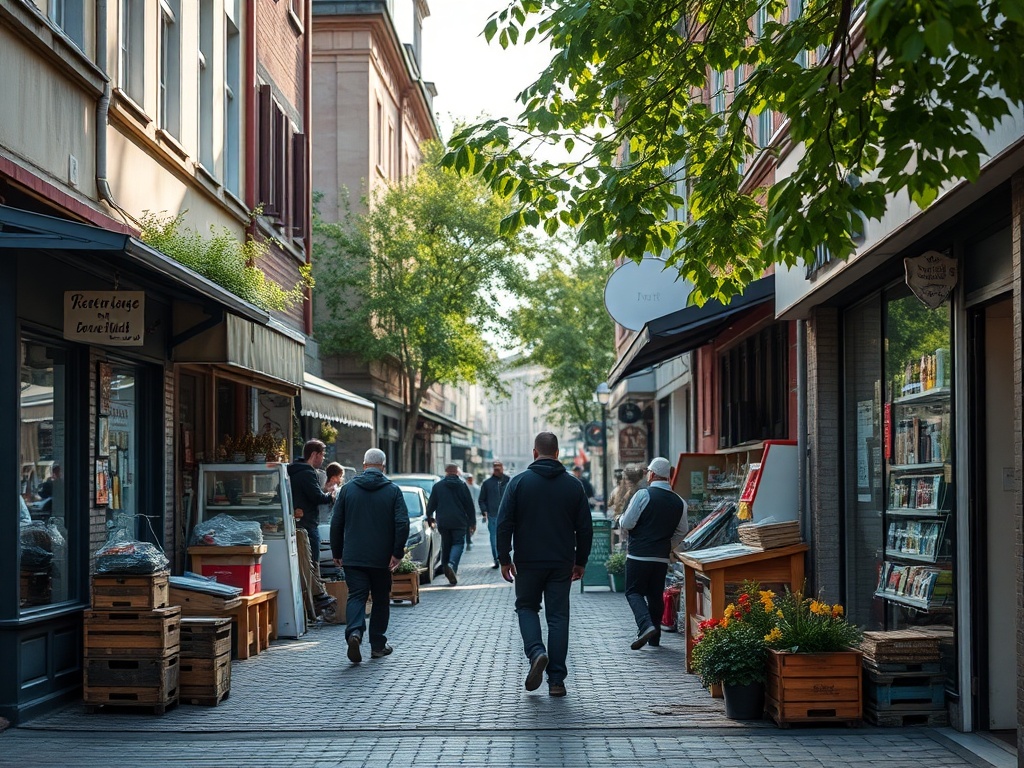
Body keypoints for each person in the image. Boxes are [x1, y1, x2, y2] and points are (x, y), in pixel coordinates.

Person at [496, 432, 593, 697]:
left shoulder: (518, 483)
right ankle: (557, 681)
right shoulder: (574, 486)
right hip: (561, 561)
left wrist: (504, 558)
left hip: (527, 561)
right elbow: (585, 528)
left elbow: (504, 524)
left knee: (526, 607)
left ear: (535, 453)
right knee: (559, 617)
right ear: (558, 453)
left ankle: (537, 652)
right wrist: (581, 561)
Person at [330, 448, 410, 663]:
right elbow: (402, 523)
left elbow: (336, 523)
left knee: (356, 595)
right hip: (381, 558)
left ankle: (355, 633)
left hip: (354, 556)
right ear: (383, 467)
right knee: (381, 600)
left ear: (364, 466)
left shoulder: (347, 490)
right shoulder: (393, 490)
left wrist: (337, 552)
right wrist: (397, 552)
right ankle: (377, 645)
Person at [618, 457, 688, 650]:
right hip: (660, 557)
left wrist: (620, 519)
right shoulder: (680, 502)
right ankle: (654, 637)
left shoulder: (643, 495)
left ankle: (645, 625)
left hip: (638, 554)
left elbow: (628, 523)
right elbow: (682, 531)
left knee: (633, 592)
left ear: (653, 474)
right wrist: (667, 545)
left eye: (649, 471)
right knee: (655, 595)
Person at [287, 440, 337, 614]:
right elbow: (316, 497)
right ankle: (317, 600)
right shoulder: (307, 473)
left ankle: (315, 602)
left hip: (298, 522)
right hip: (308, 524)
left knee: (306, 564)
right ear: (314, 455)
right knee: (312, 562)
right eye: (322, 455)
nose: (323, 459)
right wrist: (331, 495)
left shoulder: (293, 470)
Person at [426, 462, 476, 585]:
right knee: (458, 543)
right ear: (457, 472)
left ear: (446, 472)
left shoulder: (438, 486)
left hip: (443, 521)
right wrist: (472, 522)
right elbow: (469, 506)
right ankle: (451, 565)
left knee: (446, 545)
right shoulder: (462, 486)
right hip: (459, 521)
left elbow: (431, 504)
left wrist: (429, 517)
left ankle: (447, 568)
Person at [478, 460, 509, 569]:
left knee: (507, 537)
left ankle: (505, 557)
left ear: (502, 468)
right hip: (493, 515)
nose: (497, 470)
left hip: (507, 515)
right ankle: (497, 558)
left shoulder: (508, 481)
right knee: (493, 538)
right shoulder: (487, 483)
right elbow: (481, 499)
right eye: (495, 468)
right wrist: (484, 511)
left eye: (499, 467)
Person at [463, 474, 480, 552]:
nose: (470, 480)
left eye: (471, 479)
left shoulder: (476, 488)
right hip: (465, 509)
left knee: (470, 525)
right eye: (468, 479)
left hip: (473, 509)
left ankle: (469, 539)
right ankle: (468, 540)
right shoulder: (463, 487)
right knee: (467, 526)